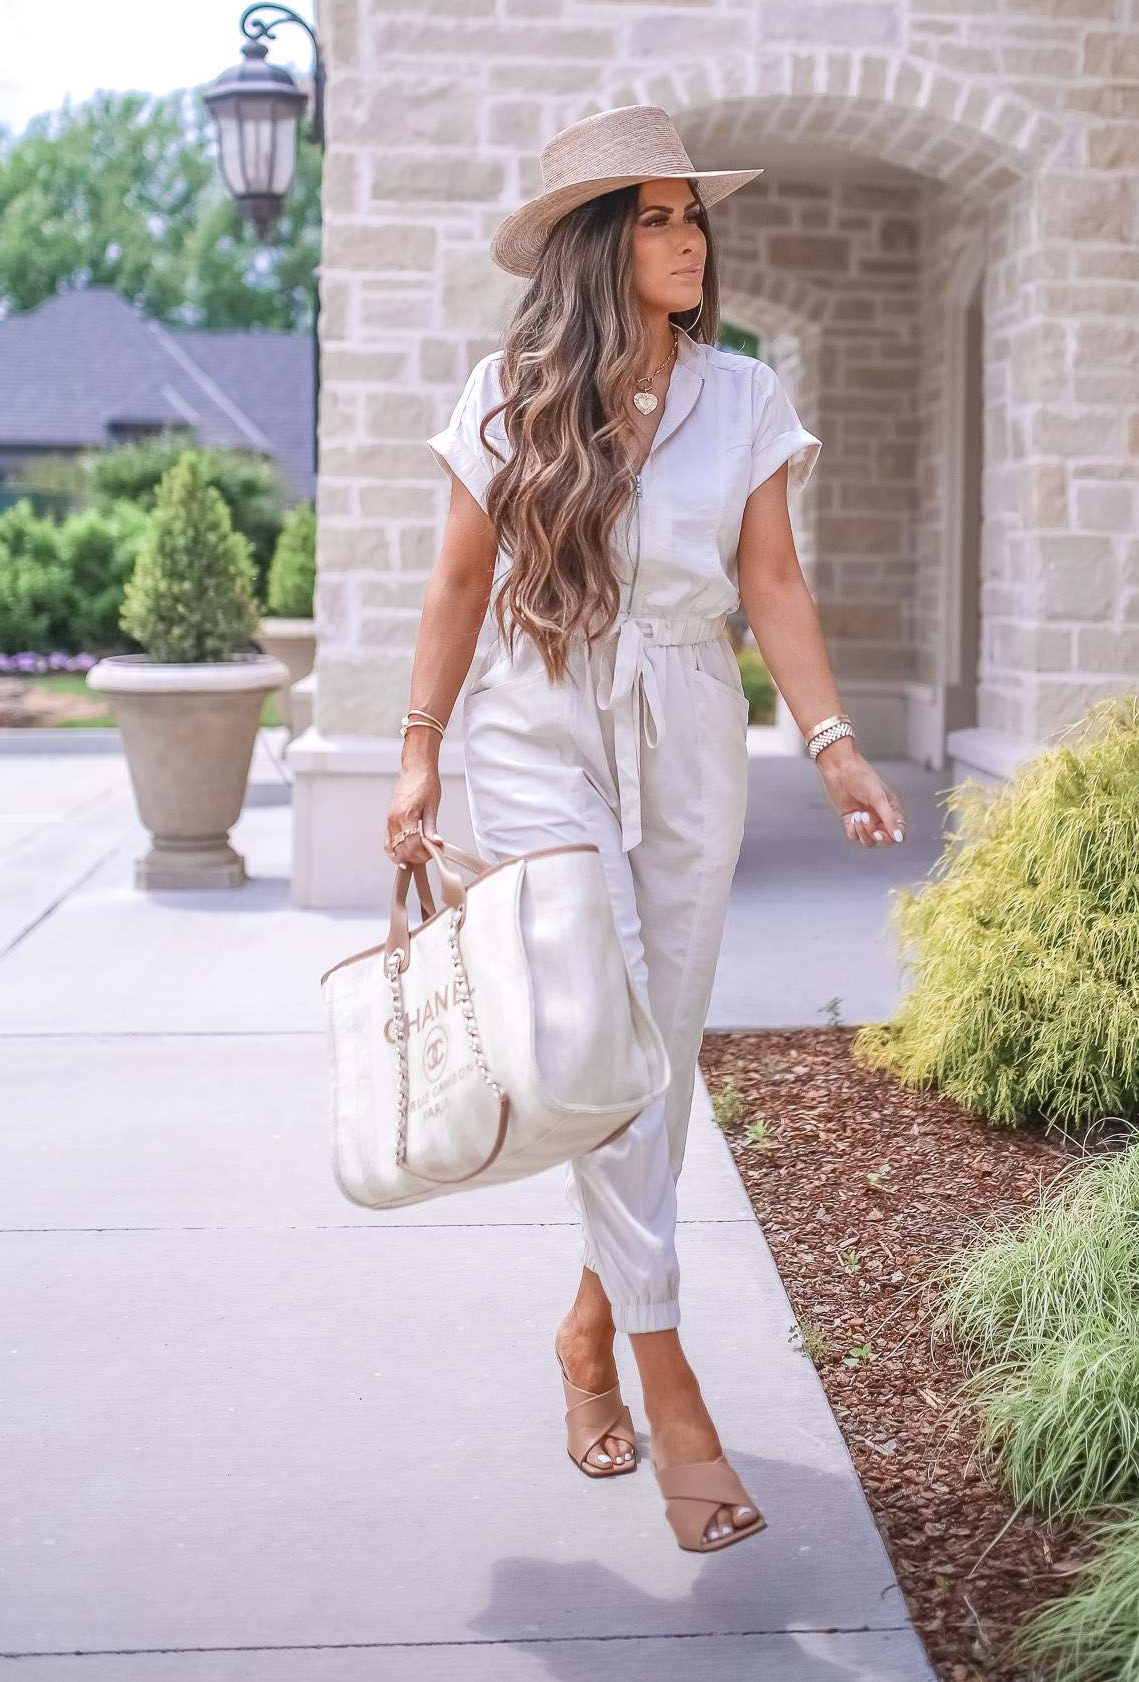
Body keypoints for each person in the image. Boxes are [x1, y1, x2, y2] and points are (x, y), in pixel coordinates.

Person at [387, 103, 906, 1556]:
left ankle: (587, 1328)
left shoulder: (742, 396)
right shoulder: (506, 390)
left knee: (660, 1057)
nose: (690, 239)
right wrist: (416, 751)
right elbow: (454, 587)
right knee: (607, 1030)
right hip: (537, 717)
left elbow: (776, 588)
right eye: (661, 217)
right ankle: (674, 1382)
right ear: (601, 243)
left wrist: (836, 743)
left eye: (695, 216)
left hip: (689, 721)